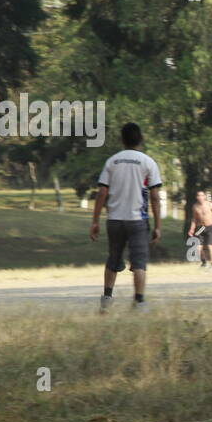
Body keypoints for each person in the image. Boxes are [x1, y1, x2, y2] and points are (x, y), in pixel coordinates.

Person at [90, 122, 163, 312]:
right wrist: (158, 226)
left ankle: (106, 300)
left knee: (113, 259)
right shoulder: (148, 162)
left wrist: (95, 221)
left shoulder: (112, 162)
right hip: (137, 220)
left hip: (114, 219)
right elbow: (154, 197)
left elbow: (101, 193)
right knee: (139, 262)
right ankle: (138, 301)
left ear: (122, 140)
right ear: (141, 139)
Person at [187, 190, 212, 271]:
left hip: (211, 226)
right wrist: (191, 229)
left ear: (204, 196)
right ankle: (204, 262)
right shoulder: (195, 207)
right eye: (198, 196)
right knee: (198, 247)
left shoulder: (210, 205)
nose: (200, 197)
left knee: (210, 246)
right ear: (196, 197)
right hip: (201, 228)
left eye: (202, 195)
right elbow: (194, 219)